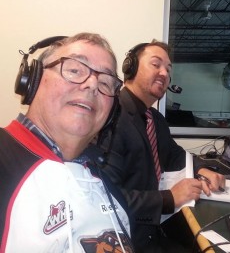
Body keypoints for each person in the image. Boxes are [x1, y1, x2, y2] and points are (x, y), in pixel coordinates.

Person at [0, 33, 134, 253]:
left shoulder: (105, 184)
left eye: (106, 83)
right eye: (74, 70)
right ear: (32, 81)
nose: (92, 85)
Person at [93, 40, 226, 252]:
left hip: (156, 226)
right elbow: (103, 197)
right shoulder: (111, 117)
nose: (164, 73)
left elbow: (174, 154)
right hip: (129, 237)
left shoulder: (154, 118)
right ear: (131, 68)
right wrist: (169, 198)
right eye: (156, 64)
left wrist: (202, 168)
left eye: (168, 69)